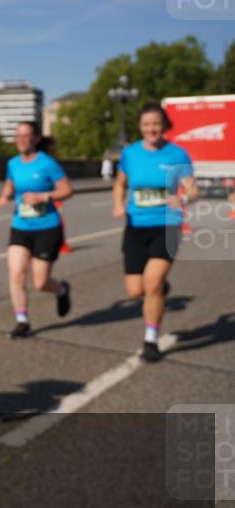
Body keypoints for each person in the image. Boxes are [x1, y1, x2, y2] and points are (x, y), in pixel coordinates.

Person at [113, 102, 197, 362]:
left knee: (151, 283)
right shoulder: (130, 154)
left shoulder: (177, 155)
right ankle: (161, 288)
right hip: (136, 226)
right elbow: (120, 183)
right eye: (147, 124)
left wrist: (182, 200)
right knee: (134, 291)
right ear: (140, 126)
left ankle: (151, 340)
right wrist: (117, 204)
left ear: (164, 126)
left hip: (167, 225)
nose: (152, 129)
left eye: (156, 124)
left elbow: (193, 190)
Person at [0, 121, 74, 338]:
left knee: (40, 283)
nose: (21, 140)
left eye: (26, 135)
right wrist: (5, 194)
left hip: (47, 226)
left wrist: (43, 196)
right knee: (16, 274)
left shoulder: (48, 164)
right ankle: (22, 320)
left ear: (36, 138)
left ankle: (61, 290)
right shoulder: (13, 163)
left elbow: (67, 190)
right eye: (17, 135)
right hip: (20, 226)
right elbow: (11, 183)